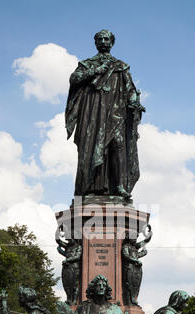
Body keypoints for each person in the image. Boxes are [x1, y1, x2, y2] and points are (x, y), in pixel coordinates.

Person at [65, 29, 145, 199]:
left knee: (118, 145)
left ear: (111, 42)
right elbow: (74, 79)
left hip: (116, 112)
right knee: (92, 149)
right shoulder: (87, 64)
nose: (103, 41)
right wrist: (95, 71)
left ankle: (119, 186)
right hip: (93, 112)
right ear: (95, 42)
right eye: (100, 39)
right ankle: (89, 187)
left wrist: (134, 101)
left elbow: (130, 88)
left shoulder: (120, 66)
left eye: (106, 39)